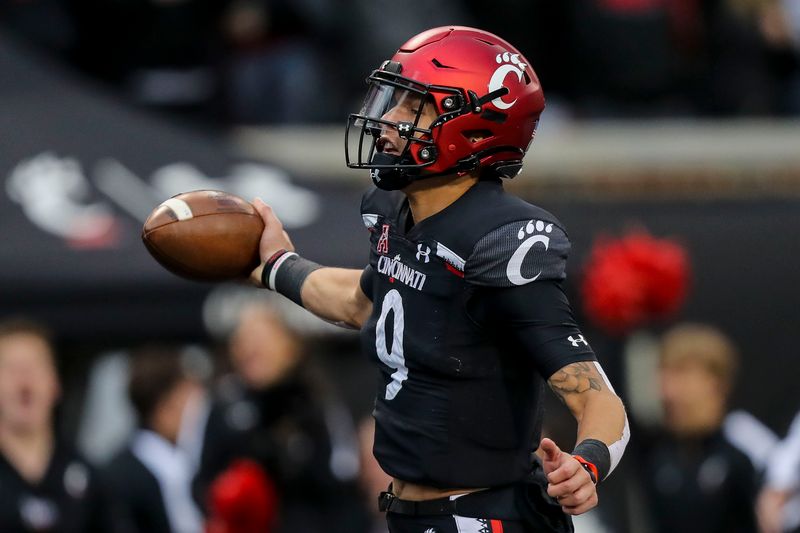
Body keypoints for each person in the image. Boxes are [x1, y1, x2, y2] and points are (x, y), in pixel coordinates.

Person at [247, 26, 629, 532]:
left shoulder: (500, 239)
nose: (386, 119)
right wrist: (277, 265)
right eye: (393, 100)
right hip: (410, 514)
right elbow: (365, 300)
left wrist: (587, 464)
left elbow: (596, 396)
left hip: (482, 519)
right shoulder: (393, 210)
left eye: (412, 107)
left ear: (473, 127)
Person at [196, 300, 361, 533]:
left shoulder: (316, 403)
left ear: (291, 346)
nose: (251, 350)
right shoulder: (224, 406)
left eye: (262, 340)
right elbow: (201, 483)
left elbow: (341, 480)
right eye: (242, 341)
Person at [640, 323, 759, 533]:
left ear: (716, 383)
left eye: (682, 373)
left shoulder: (749, 452)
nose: (669, 390)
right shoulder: (657, 457)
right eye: (665, 374)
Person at [0, 318, 108, 532]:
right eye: (11, 368)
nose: (24, 380)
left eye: (33, 366)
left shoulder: (87, 476)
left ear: (55, 383)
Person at [101, 345, 210, 533]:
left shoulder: (194, 464)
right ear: (165, 409)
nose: (200, 413)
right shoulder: (119, 479)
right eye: (189, 401)